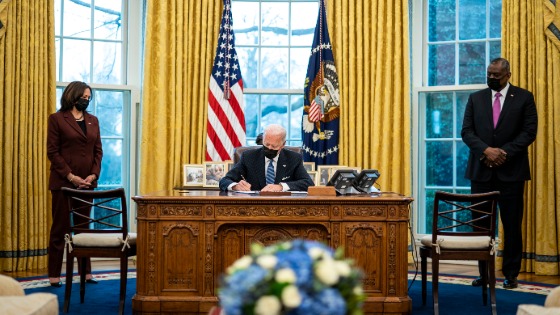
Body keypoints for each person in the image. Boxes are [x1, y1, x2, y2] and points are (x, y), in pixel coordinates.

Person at [461, 57, 538, 289]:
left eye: (496, 75)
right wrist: (486, 150)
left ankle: (511, 274)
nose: (491, 78)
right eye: (489, 74)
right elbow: (467, 131)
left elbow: (529, 132)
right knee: (481, 226)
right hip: (480, 172)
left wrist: (502, 152)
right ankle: (484, 275)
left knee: (512, 224)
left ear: (508, 75)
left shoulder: (524, 97)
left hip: (512, 172)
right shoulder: (476, 98)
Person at [46, 81, 103, 287]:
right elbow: (52, 152)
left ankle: (86, 273)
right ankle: (54, 275)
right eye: (84, 97)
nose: (86, 100)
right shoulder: (57, 119)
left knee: (83, 229)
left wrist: (93, 175)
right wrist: (70, 176)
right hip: (63, 183)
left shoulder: (93, 120)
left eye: (89, 98)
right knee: (60, 229)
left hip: (87, 184)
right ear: (73, 95)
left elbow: (98, 151)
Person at [219, 124, 313, 192]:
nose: (269, 148)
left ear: (282, 145)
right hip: (253, 206)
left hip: (283, 206)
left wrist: (281, 187)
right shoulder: (248, 157)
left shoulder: (293, 158)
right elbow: (224, 181)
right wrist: (236, 186)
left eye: (274, 146)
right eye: (267, 144)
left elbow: (308, 183)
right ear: (263, 140)